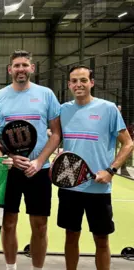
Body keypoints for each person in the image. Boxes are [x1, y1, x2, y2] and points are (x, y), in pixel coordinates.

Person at [0, 50, 62, 270]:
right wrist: (9, 158)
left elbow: (56, 134)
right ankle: (11, 268)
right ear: (10, 70)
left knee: (39, 226)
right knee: (8, 224)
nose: (21, 69)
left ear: (32, 68)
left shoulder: (46, 94)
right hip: (9, 171)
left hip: (38, 171)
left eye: (25, 65)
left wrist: (38, 161)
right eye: (16, 65)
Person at [58, 65, 133, 270]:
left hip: (98, 188)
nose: (78, 84)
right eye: (74, 81)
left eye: (83, 80)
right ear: (69, 85)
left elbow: (128, 143)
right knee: (71, 235)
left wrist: (111, 171)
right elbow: (55, 136)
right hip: (70, 186)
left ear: (92, 82)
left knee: (101, 239)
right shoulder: (63, 110)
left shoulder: (108, 109)